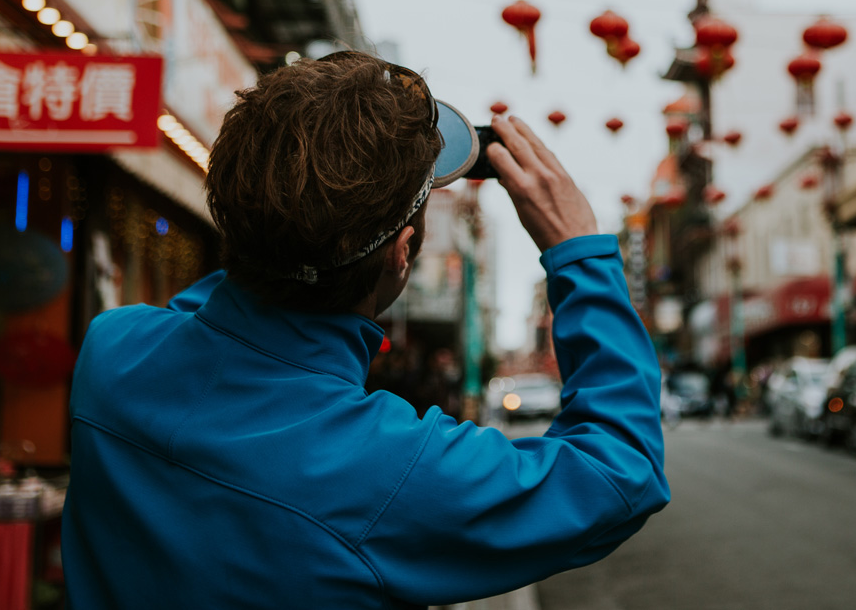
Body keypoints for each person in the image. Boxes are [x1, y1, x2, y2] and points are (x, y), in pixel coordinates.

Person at [62, 52, 669, 608]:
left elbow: (226, 300)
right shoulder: (390, 469)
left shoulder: (112, 353)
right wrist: (579, 254)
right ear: (401, 255)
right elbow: (621, 471)